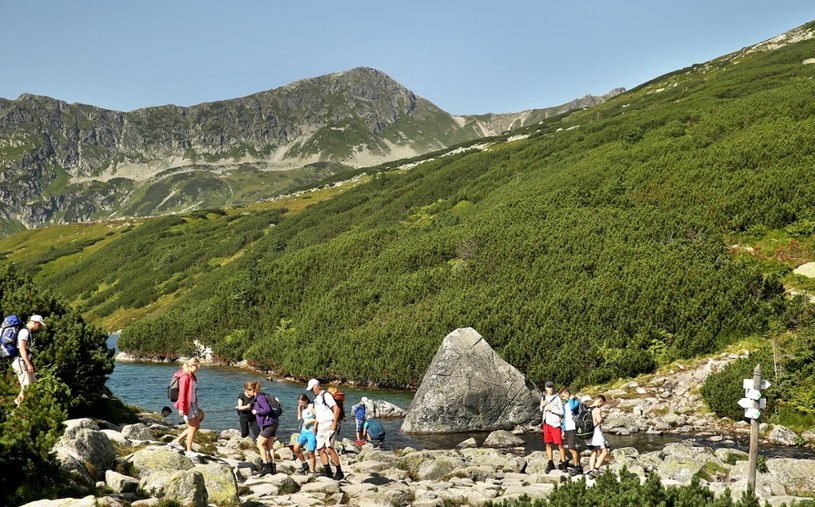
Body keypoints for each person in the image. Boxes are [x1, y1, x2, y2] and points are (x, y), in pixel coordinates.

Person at [307, 378, 344, 480]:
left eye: (312, 388)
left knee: (329, 448)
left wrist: (334, 424)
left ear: (317, 386)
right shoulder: (316, 398)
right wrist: (315, 425)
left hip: (329, 424)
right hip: (320, 426)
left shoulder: (326, 395)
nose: (311, 391)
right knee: (320, 449)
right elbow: (319, 413)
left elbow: (336, 409)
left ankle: (339, 472)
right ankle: (328, 473)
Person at [167, 358, 203, 458]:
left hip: (193, 404)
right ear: (191, 365)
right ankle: (188, 451)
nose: (198, 369)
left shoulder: (192, 376)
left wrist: (197, 405)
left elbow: (193, 393)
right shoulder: (185, 377)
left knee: (197, 427)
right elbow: (182, 394)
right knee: (192, 428)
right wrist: (181, 408)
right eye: (196, 366)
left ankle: (176, 441)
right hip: (187, 405)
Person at [10, 314, 46, 406]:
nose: (40, 327)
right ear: (35, 323)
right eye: (40, 325)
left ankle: (18, 405)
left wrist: (31, 365)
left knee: (34, 384)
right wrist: (28, 364)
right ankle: (15, 411)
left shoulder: (27, 332)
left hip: (24, 361)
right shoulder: (24, 332)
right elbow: (22, 349)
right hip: (21, 362)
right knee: (26, 388)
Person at [252, 381, 280, 476]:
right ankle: (273, 467)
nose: (247, 392)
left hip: (269, 423)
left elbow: (267, 409)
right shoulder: (263, 395)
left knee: (259, 444)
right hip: (274, 422)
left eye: (247, 390)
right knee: (268, 445)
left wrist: (257, 411)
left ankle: (266, 466)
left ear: (252, 390)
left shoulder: (260, 397)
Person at [540, 380, 567, 473]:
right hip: (546, 423)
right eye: (549, 387)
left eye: (552, 387)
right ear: (545, 388)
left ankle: (564, 463)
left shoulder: (557, 398)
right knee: (548, 443)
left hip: (555, 424)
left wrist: (552, 409)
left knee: (559, 444)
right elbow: (541, 409)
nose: (551, 388)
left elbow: (562, 412)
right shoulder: (543, 397)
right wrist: (543, 406)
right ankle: (550, 463)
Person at [559, 386, 582, 475]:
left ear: (567, 393)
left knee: (572, 448)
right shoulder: (565, 404)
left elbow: (573, 408)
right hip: (567, 428)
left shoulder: (575, 402)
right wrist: (563, 430)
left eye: (563, 396)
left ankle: (577, 467)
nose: (563, 398)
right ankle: (578, 466)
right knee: (571, 448)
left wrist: (571, 398)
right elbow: (565, 418)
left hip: (573, 428)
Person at [585, 394, 609, 479]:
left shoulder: (587, 409)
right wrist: (603, 420)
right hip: (596, 433)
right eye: (602, 404)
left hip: (588, 434)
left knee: (593, 452)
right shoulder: (597, 409)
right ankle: (596, 469)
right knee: (605, 451)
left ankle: (591, 471)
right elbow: (599, 420)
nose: (601, 406)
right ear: (600, 401)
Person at [293, 393, 317, 474]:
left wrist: (308, 422)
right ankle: (304, 464)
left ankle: (312, 471)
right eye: (299, 402)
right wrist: (299, 408)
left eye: (302, 402)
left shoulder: (311, 407)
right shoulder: (302, 407)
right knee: (296, 448)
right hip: (303, 432)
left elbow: (317, 418)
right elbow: (299, 419)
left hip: (311, 432)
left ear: (306, 400)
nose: (300, 403)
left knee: (311, 453)